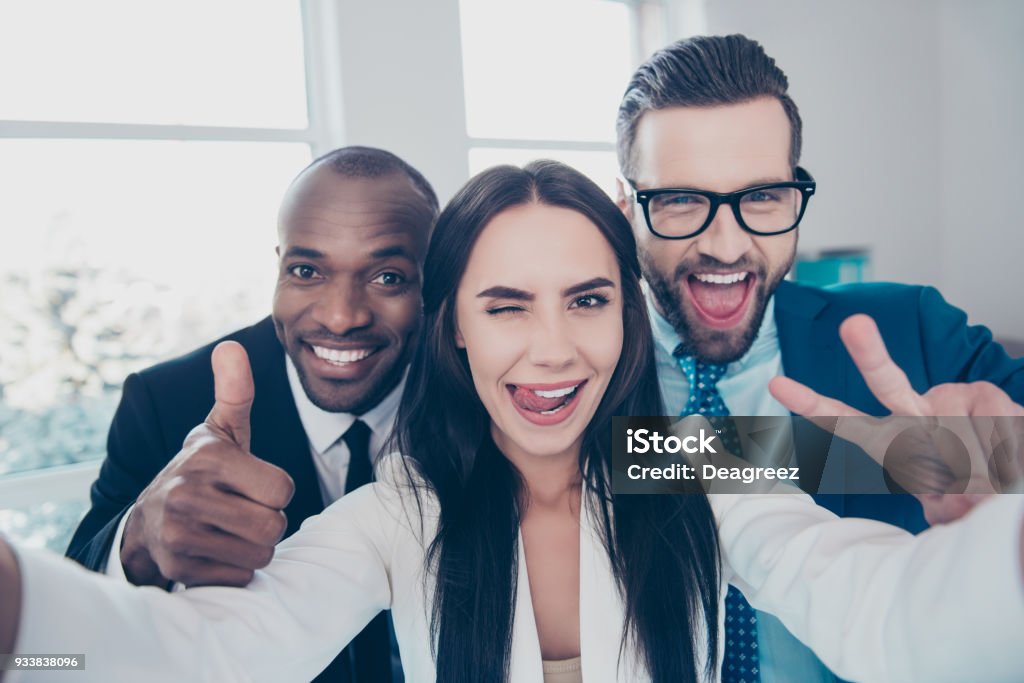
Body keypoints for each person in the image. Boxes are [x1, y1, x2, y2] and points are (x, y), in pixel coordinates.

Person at [1, 161, 1023, 683]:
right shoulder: (405, 503)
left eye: (586, 298)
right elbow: (201, 659)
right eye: (505, 305)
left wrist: (992, 476)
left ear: (627, 318)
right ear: (450, 328)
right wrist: (18, 607)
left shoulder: (686, 455)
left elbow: (887, 607)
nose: (549, 349)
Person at [614, 34, 1024, 682]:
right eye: (681, 199)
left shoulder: (910, 330)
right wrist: (800, 449)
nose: (726, 243)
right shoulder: (577, 374)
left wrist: (1007, 466)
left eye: (763, 196)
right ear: (625, 204)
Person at [64, 145, 438, 683]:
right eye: (307, 269)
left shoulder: (486, 390)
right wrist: (139, 539)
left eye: (388, 278)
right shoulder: (167, 403)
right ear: (280, 264)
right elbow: (57, 647)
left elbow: (611, 473)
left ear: (433, 285)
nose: (340, 317)